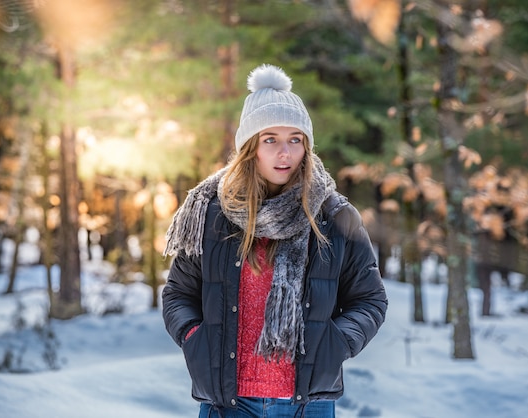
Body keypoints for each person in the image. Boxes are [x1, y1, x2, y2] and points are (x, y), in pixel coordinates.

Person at [161, 63, 388, 418]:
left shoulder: (334, 217)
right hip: (228, 403)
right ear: (251, 147)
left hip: (307, 404)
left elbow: (369, 299)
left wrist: (336, 342)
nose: (285, 153)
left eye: (295, 140)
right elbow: (178, 294)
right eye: (271, 140)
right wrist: (194, 337)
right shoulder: (211, 215)